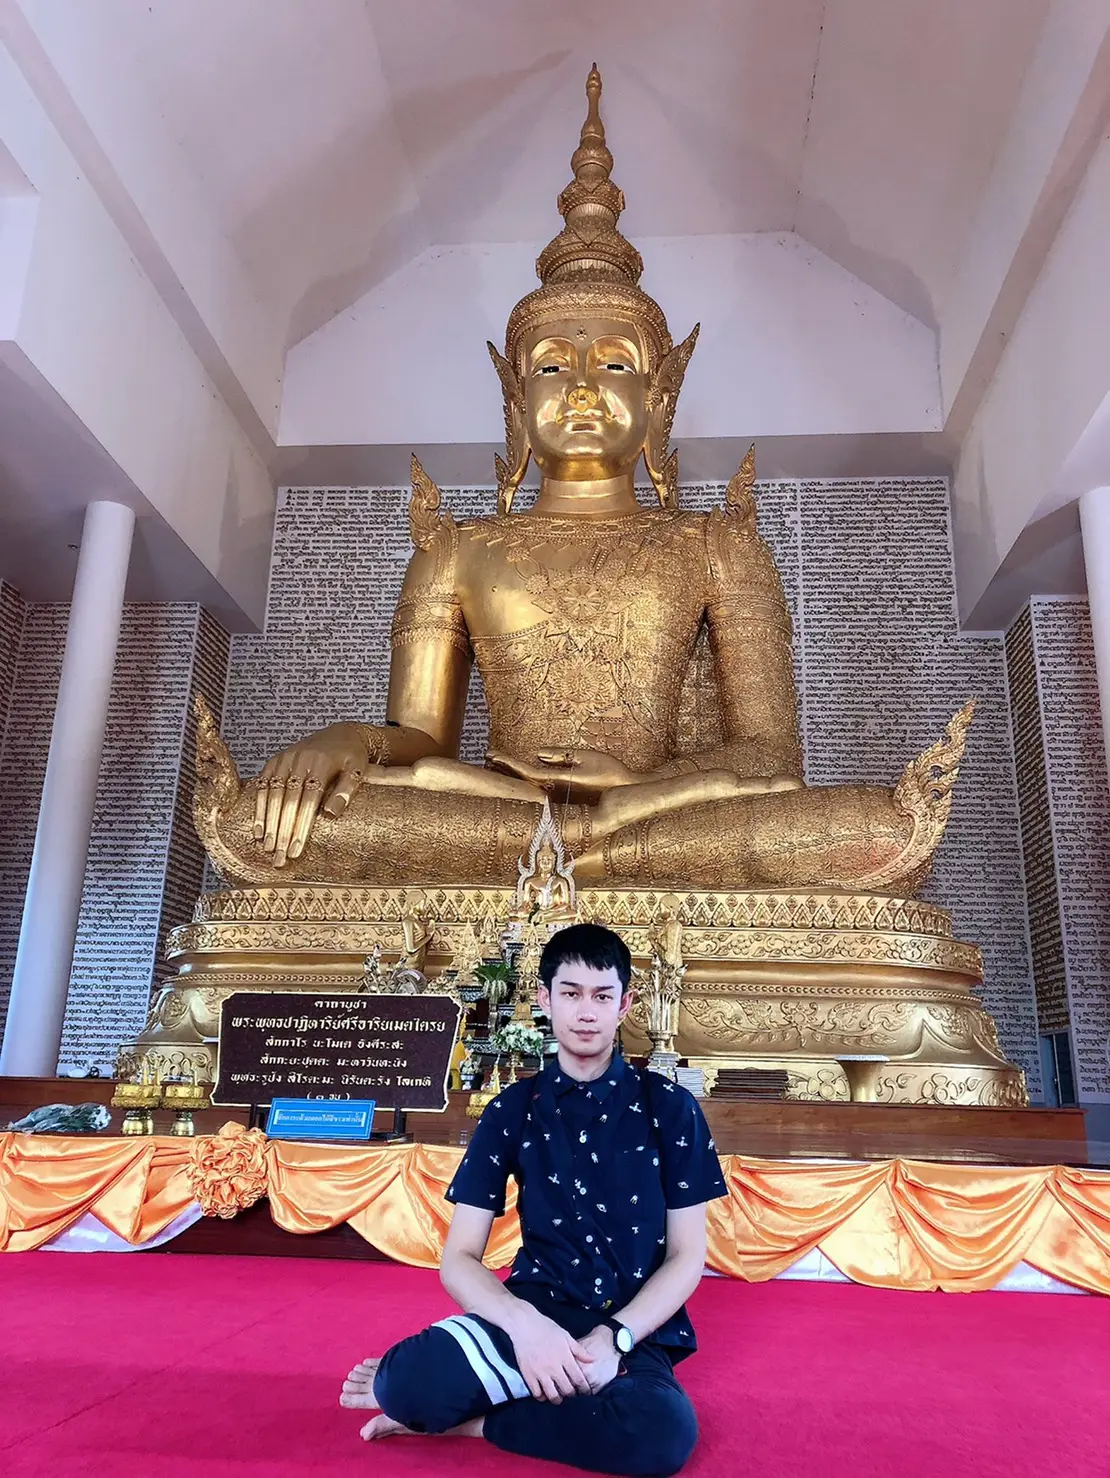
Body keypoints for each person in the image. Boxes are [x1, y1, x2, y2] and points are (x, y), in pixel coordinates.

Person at [339, 922, 727, 1475]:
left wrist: (615, 1338)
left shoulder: (669, 1106)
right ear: (545, 999)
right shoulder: (513, 1107)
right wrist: (525, 1327)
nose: (586, 1012)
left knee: (660, 1435)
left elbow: (688, 1256)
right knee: (403, 1385)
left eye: (602, 996)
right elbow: (459, 1259)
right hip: (534, 1307)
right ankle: (534, 1392)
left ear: (625, 1005)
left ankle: (481, 1422)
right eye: (571, 994)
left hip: (628, 1323)